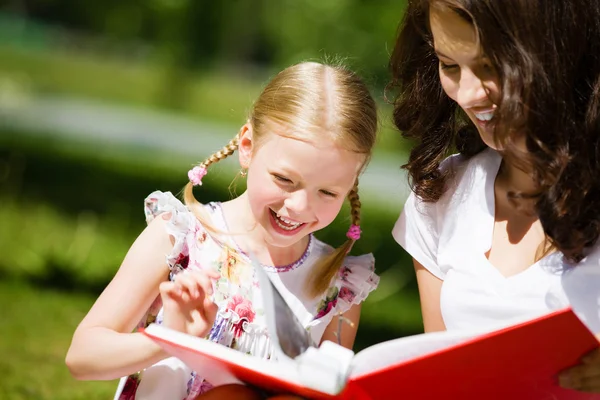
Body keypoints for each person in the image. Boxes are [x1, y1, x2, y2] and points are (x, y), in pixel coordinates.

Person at [65, 61, 380, 399]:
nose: (300, 206)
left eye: (328, 192)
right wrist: (170, 339)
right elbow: (83, 356)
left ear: (351, 184)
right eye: (285, 179)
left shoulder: (337, 286)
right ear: (247, 147)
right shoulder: (181, 237)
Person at [389, 0, 600, 393]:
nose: (468, 94)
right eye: (449, 65)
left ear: (561, 52)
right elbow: (437, 382)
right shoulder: (442, 194)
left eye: (491, 66)